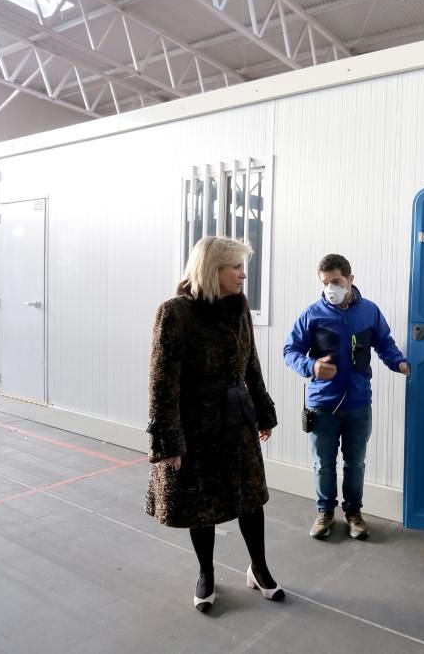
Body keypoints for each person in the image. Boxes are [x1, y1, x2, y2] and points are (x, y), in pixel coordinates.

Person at [144, 236, 284, 613]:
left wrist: (264, 411)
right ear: (212, 269)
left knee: (250, 497)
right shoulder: (175, 312)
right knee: (200, 502)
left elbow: (250, 363)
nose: (242, 275)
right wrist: (168, 441)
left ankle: (260, 568)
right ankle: (206, 572)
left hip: (237, 417)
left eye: (243, 267)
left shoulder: (238, 308)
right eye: (235, 267)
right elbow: (162, 380)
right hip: (195, 422)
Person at [284, 254, 410, 541]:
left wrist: (399, 363)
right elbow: (290, 351)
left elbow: (385, 344)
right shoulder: (312, 314)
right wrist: (311, 367)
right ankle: (325, 512)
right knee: (323, 463)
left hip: (358, 403)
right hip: (321, 404)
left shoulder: (369, 312)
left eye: (336, 282)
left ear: (351, 280)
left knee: (355, 463)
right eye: (326, 283)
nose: (331, 288)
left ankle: (354, 513)